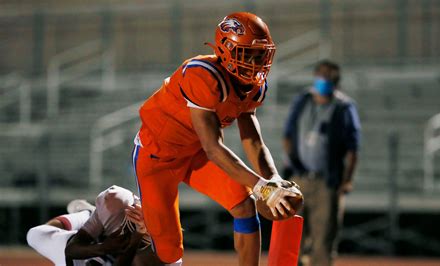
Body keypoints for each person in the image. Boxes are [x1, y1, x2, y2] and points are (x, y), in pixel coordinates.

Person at [132, 12, 301, 266]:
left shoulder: (254, 85)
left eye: (260, 55)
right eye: (248, 54)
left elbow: (253, 140)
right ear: (227, 50)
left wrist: (272, 178)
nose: (256, 63)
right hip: (158, 157)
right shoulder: (202, 75)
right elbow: (213, 148)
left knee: (244, 205)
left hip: (194, 152)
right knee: (168, 253)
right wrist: (262, 187)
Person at [282, 60, 361, 266]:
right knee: (293, 239)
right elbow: (288, 135)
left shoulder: (344, 108)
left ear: (337, 82)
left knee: (323, 241)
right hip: (299, 178)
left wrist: (346, 181)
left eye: (330, 77)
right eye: (322, 75)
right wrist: (292, 166)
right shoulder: (303, 101)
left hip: (326, 183)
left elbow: (353, 149)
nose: (324, 80)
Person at [27, 185, 157, 266]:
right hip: (97, 243)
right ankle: (87, 216)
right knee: (36, 235)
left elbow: (69, 251)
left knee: (36, 235)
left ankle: (86, 216)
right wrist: (103, 247)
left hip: (76, 255)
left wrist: (103, 248)